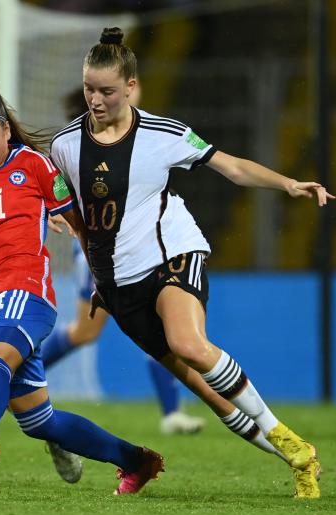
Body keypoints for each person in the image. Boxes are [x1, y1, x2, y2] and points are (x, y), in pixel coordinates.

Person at [50, 27, 335, 499]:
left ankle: (284, 436)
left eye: (106, 91)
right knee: (211, 395)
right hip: (119, 287)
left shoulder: (165, 134)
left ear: (131, 87)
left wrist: (288, 184)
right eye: (89, 89)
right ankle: (301, 458)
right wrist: (97, 272)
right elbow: (84, 221)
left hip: (172, 255)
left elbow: (232, 167)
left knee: (189, 342)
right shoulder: (64, 146)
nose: (96, 100)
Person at [0, 83, 165, 495]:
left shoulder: (36, 166)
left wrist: (99, 275)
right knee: (39, 421)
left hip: (28, 290)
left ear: (6, 131)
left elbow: (80, 224)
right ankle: (136, 460)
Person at [42, 87, 205, 436]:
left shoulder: (141, 132)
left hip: (135, 247)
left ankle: (172, 411)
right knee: (87, 330)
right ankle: (13, 373)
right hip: (100, 249)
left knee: (160, 320)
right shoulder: (81, 140)